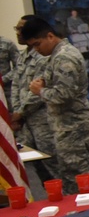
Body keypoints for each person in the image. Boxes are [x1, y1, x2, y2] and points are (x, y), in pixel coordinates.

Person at [22, 18, 89, 194]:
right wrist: (43, 83)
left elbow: (64, 95)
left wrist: (40, 91)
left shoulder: (64, 57)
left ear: (50, 36)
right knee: (70, 174)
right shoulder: (56, 56)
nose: (36, 50)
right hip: (65, 123)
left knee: (77, 175)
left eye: (37, 44)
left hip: (73, 123)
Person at [8, 16, 58, 182]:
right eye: (16, 28)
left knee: (55, 165)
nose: (18, 32)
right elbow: (16, 85)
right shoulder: (22, 56)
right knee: (39, 167)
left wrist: (20, 113)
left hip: (43, 121)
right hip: (25, 123)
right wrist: (16, 112)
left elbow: (38, 91)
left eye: (21, 28)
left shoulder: (43, 55)